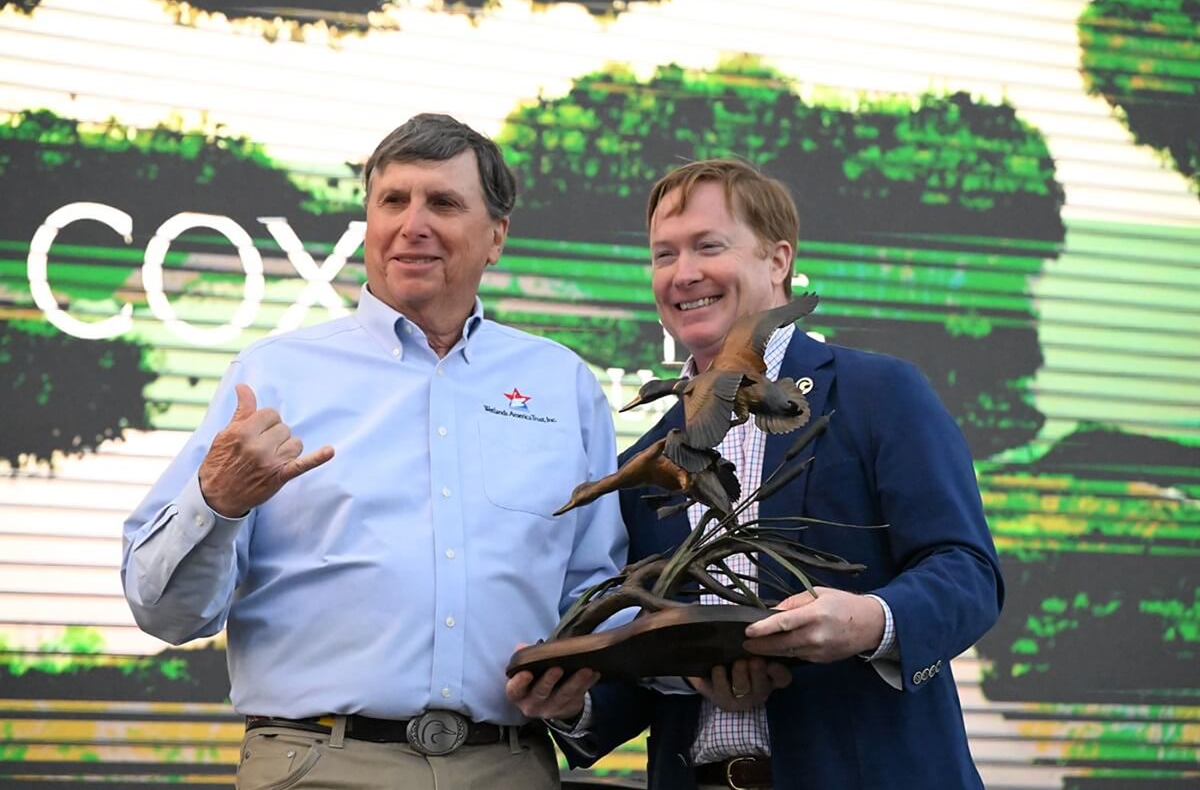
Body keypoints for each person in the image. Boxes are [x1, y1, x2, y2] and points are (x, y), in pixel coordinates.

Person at [121, 113, 627, 790]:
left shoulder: (560, 383)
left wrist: (582, 694)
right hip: (316, 764)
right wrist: (216, 502)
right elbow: (166, 614)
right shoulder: (274, 375)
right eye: (393, 200)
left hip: (510, 764)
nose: (412, 223)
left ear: (497, 236)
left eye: (443, 202)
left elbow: (596, 590)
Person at [514, 158, 1003, 789]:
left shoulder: (879, 393)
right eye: (664, 255)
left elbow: (968, 573)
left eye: (707, 247)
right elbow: (640, 669)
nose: (683, 274)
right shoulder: (653, 457)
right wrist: (574, 702)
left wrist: (864, 621)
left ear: (778, 261)